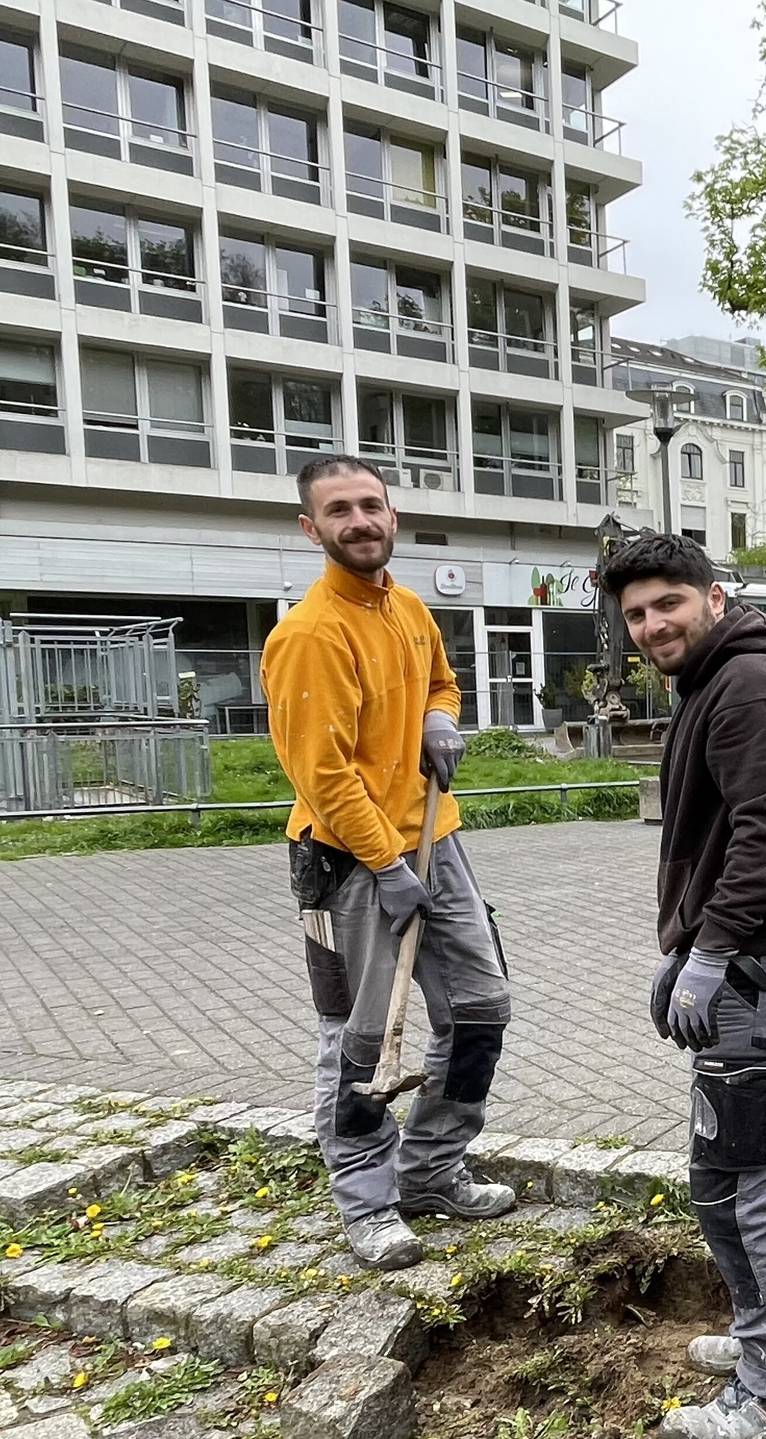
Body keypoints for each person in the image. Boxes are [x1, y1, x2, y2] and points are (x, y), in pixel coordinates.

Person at [602, 532, 766, 1439]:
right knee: (761, 1162)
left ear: (711, 595)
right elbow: (729, 832)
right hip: (744, 959)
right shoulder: (716, 681)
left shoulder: (746, 689)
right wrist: (687, 942)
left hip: (754, 970)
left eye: (667, 604)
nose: (653, 624)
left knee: (744, 1175)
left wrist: (712, 951)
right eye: (636, 614)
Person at [261, 455, 515, 1273]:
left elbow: (442, 682)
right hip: (347, 864)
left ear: (392, 515)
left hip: (436, 843)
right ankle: (368, 1204)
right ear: (313, 528)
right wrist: (386, 862)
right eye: (340, 510)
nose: (361, 520)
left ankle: (431, 1169)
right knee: (359, 1041)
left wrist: (442, 719)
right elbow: (321, 774)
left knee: (480, 1007)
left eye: (371, 504)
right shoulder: (308, 635)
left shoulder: (407, 609)